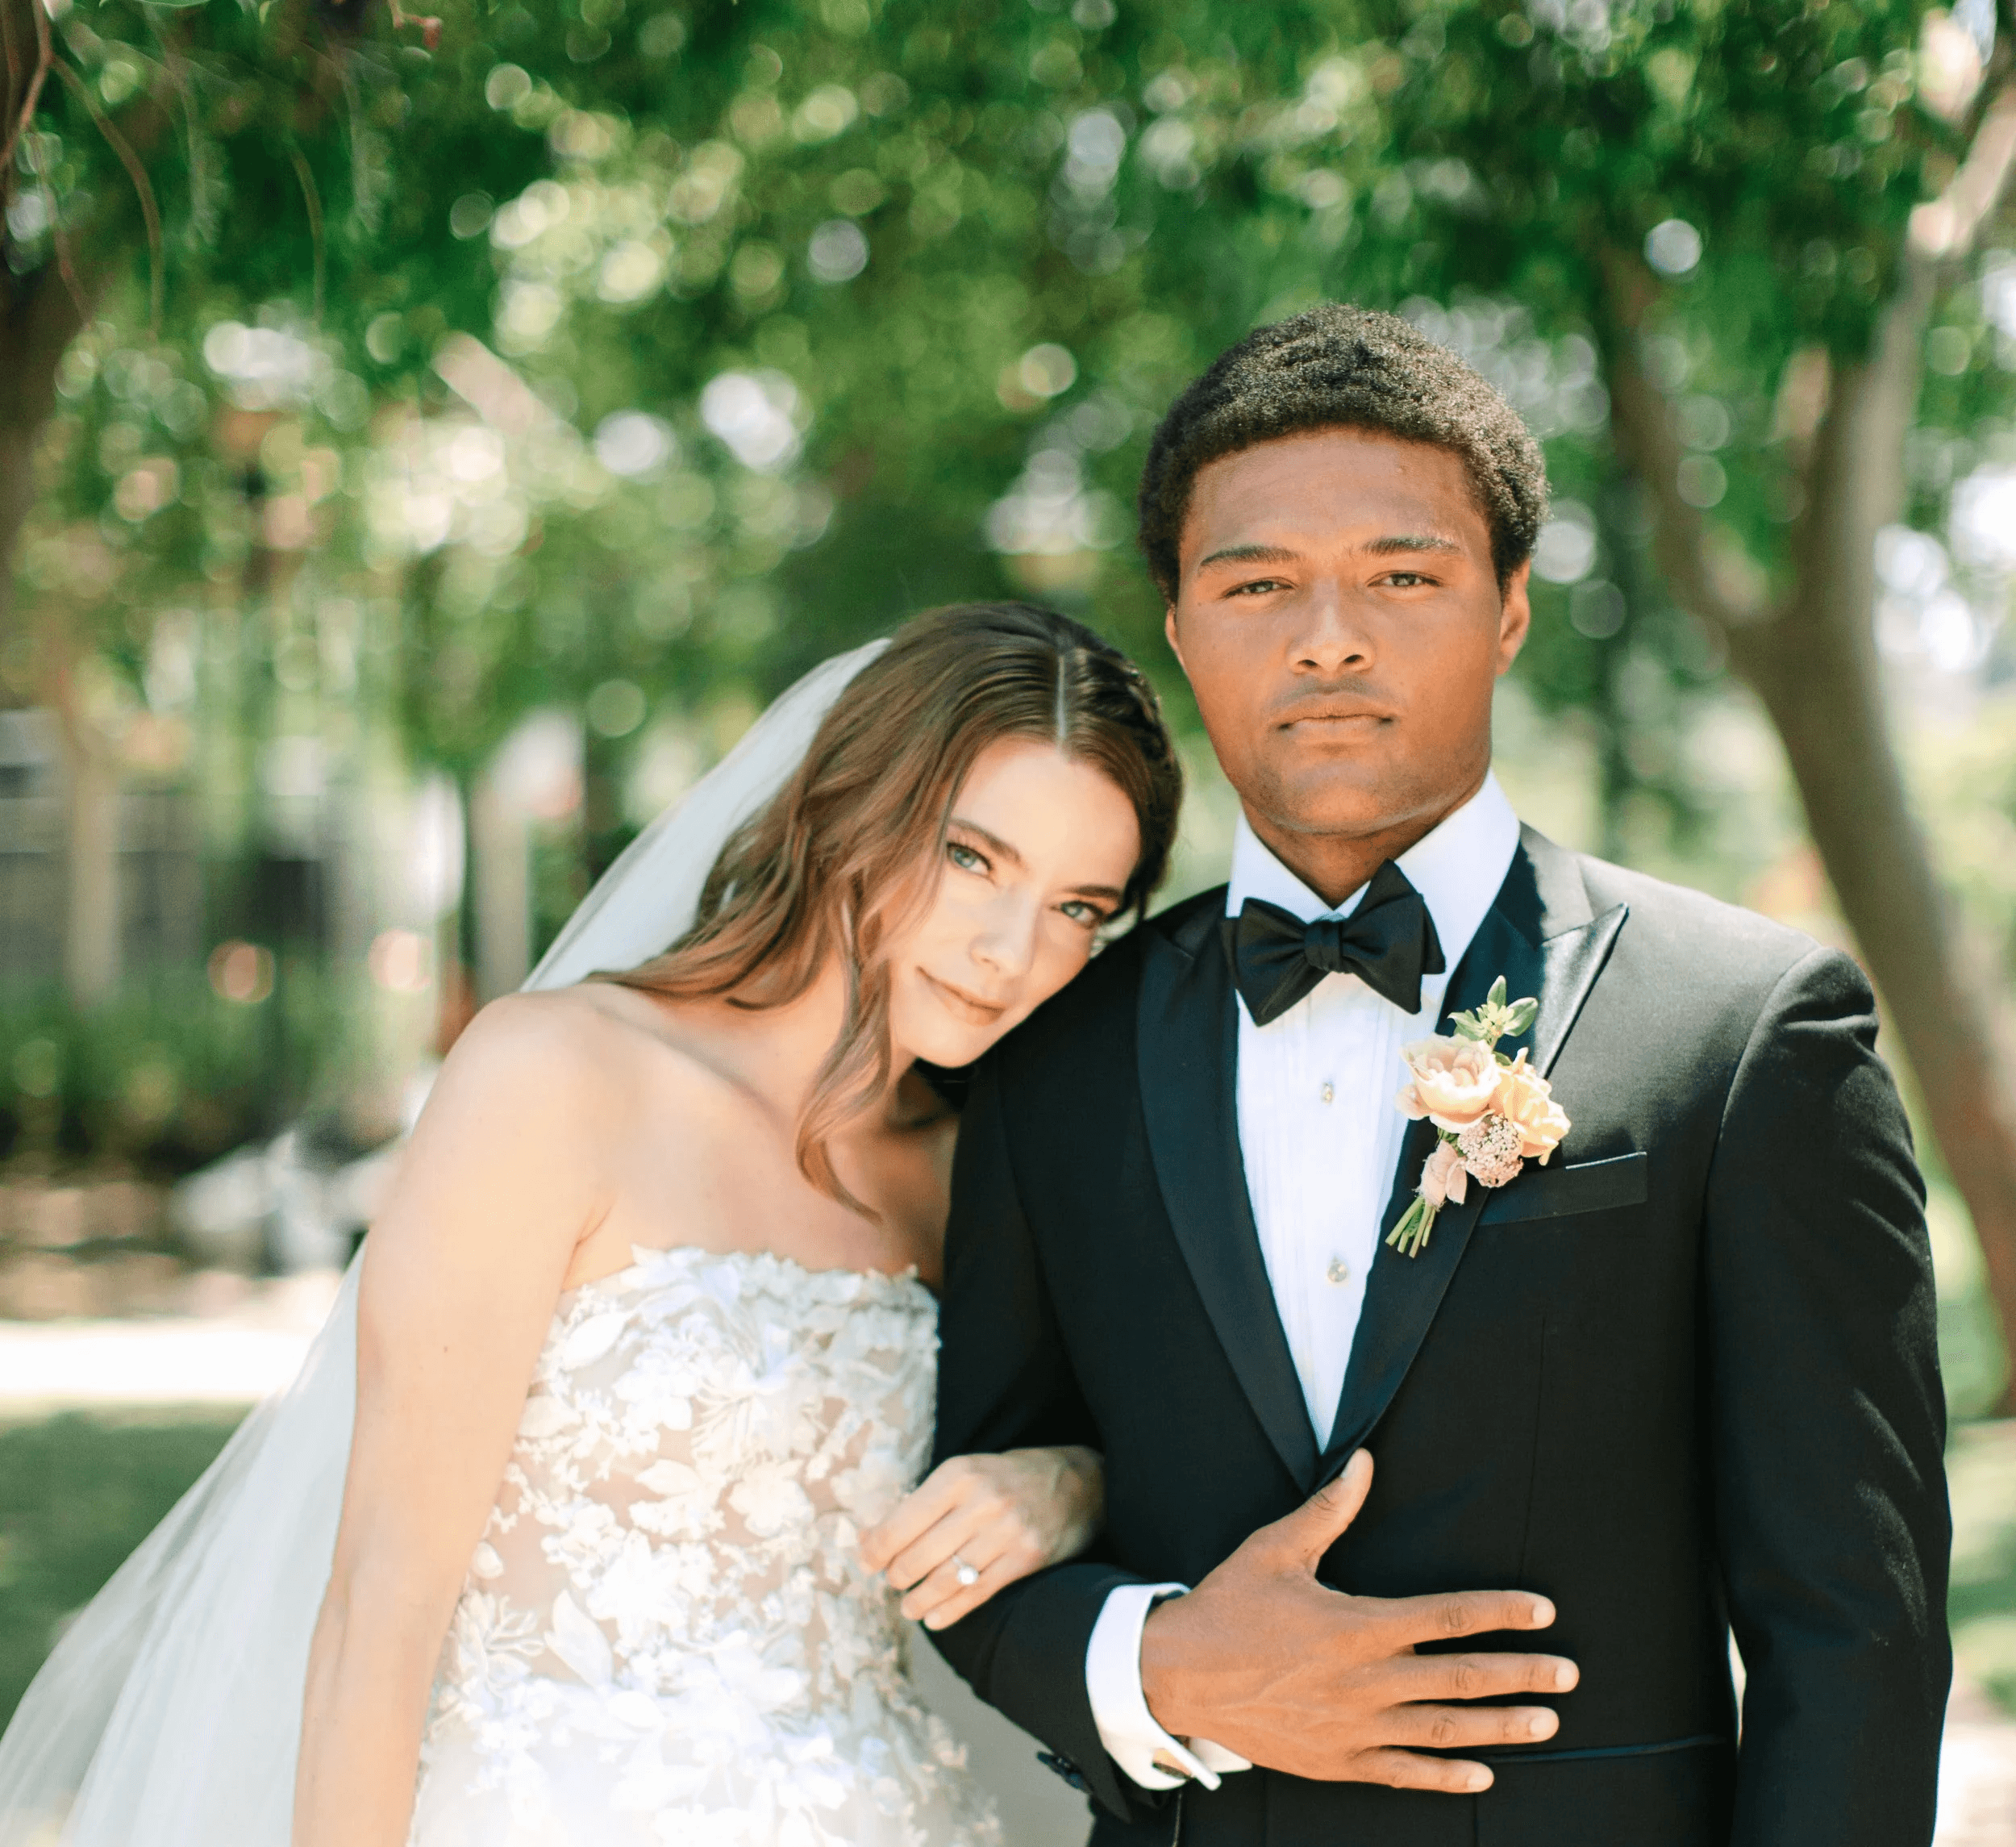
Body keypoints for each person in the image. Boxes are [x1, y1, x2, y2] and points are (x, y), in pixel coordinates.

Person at [922, 306, 1951, 1846]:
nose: (1328, 634)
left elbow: (1854, 1637)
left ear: (1512, 607)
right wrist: (1154, 1665)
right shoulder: (1048, 1060)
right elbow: (972, 1540)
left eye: (1402, 577)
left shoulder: (1745, 1034)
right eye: (1258, 582)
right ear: (1182, 623)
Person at [0, 602, 1181, 1847]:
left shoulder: (978, 1173)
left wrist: (1062, 1483)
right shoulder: (557, 1078)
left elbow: (1118, 1463)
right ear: (851, 811)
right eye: (973, 858)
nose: (1012, 949)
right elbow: (380, 1599)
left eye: (1079, 908)